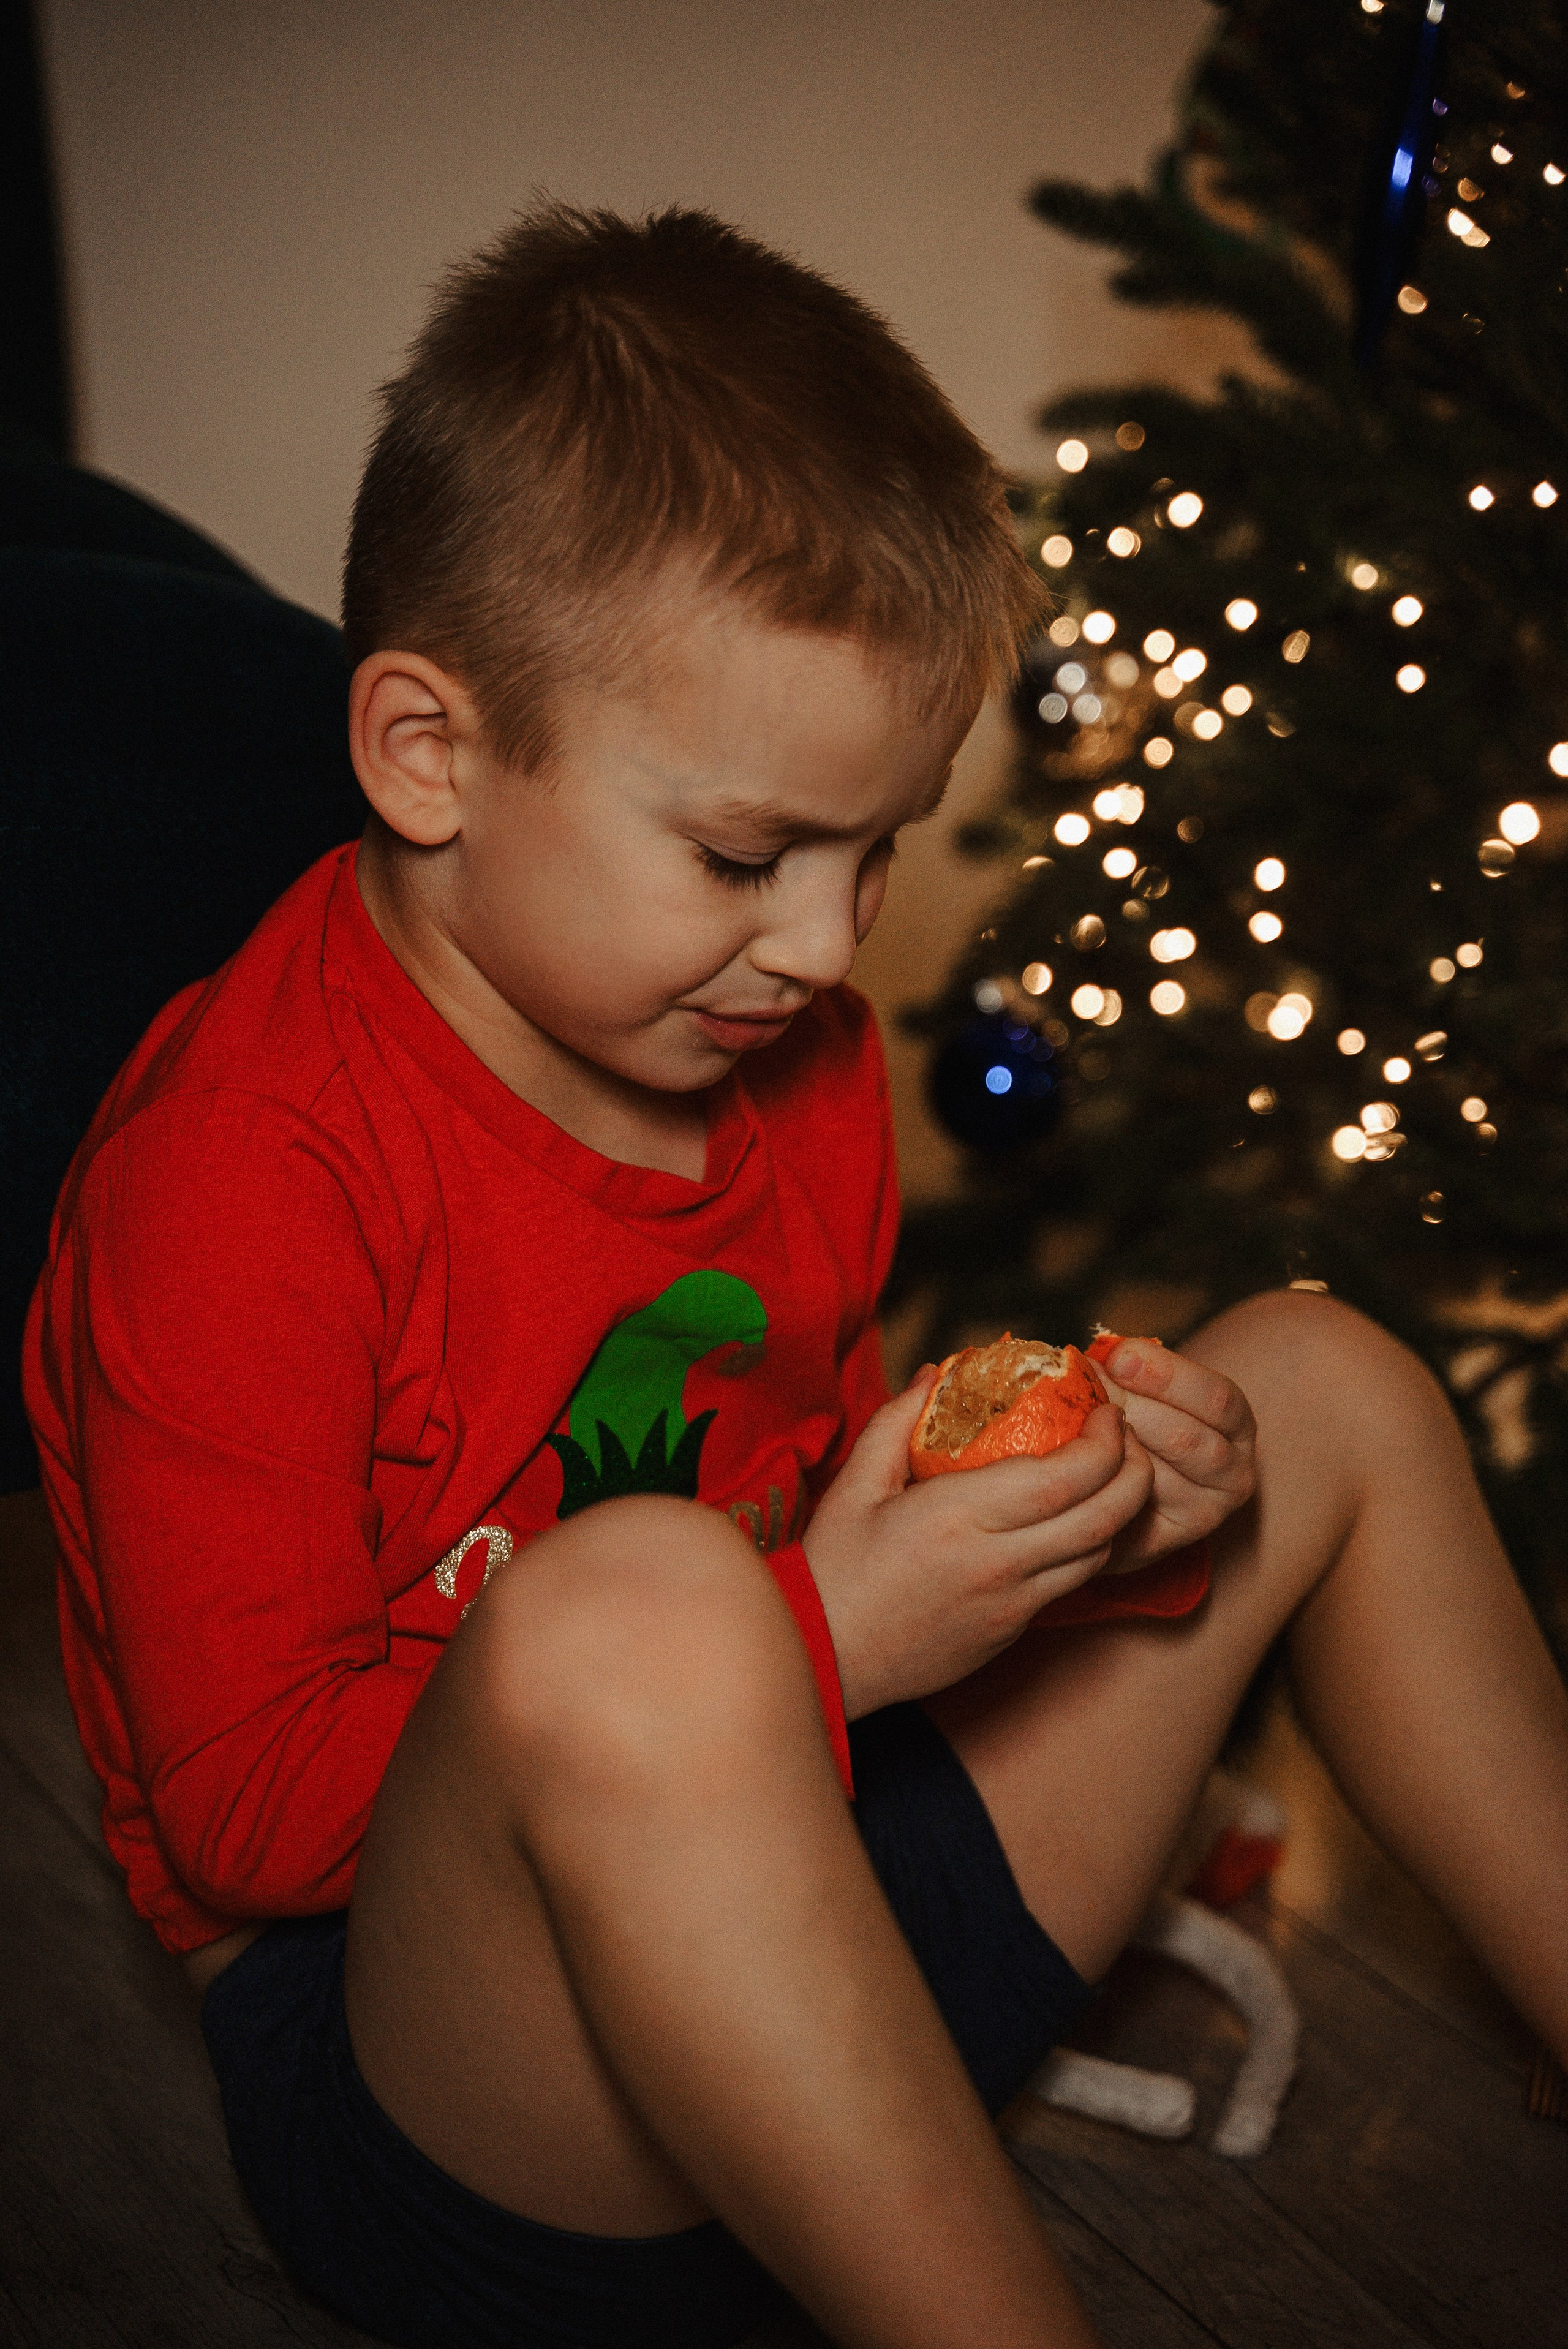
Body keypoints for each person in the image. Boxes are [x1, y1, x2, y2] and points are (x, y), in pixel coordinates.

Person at [23, 203, 1568, 2349]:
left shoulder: (781, 1048)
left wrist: (1074, 1503)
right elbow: (251, 1807)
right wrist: (819, 1633)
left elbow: (798, 1467)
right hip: (447, 2083)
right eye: (750, 857)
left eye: (880, 849)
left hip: (825, 1870)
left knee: (1329, 1376)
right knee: (636, 1612)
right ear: (429, 757)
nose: (836, 952)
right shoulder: (235, 1170)